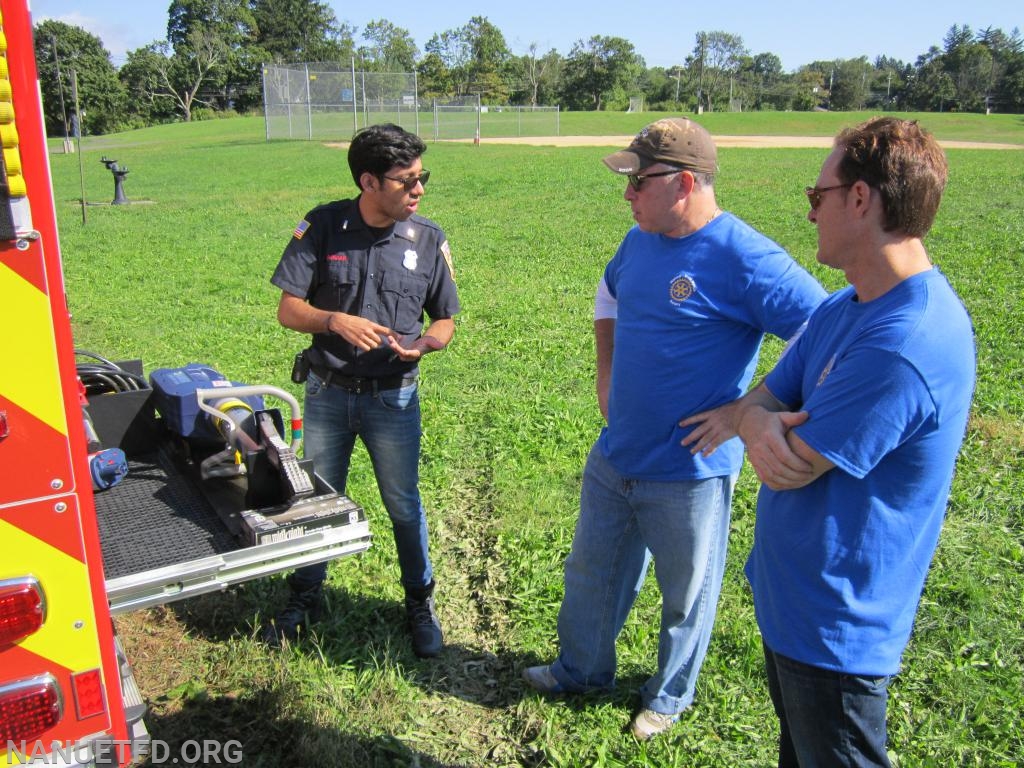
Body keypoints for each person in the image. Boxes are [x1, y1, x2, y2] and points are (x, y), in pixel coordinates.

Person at [682, 117, 976, 766]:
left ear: (862, 199)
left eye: (819, 197)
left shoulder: (907, 341)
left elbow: (791, 466)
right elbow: (760, 406)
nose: (809, 214)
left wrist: (754, 422)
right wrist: (755, 418)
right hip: (798, 608)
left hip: (839, 632)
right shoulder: (845, 308)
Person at [521, 117, 827, 740]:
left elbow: (823, 334)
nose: (627, 194)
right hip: (617, 456)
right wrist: (606, 375)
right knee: (590, 574)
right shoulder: (640, 240)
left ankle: (667, 696)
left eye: (637, 181)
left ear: (684, 182)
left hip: (689, 471)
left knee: (686, 596)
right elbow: (609, 295)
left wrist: (748, 412)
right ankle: (581, 670)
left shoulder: (746, 257)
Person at [265, 123, 460, 658]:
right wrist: (335, 322)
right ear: (368, 181)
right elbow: (288, 310)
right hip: (328, 393)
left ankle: (420, 603)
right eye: (407, 181)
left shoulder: (428, 239)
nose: (419, 190)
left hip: (393, 398)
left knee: (403, 503)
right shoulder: (323, 227)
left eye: (423, 178)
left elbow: (445, 318)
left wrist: (426, 344)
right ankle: (304, 597)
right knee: (318, 501)